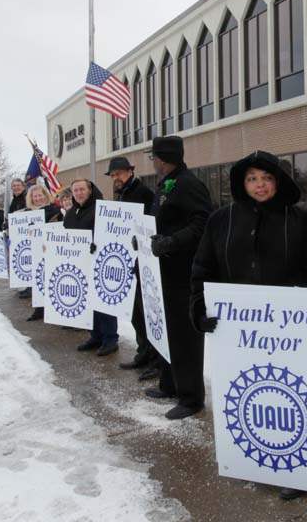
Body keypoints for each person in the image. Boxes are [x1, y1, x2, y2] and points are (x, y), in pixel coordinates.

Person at [191, 150, 307, 499]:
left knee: (288, 399)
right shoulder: (221, 220)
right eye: (252, 178)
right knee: (249, 396)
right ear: (242, 184)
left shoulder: (298, 219)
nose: (260, 185)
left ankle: (296, 469)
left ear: (278, 182)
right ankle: (252, 459)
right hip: (239, 335)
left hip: (289, 332)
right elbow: (202, 268)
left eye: (267, 178)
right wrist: (199, 306)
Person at [145, 136, 212, 420]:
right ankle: (170, 383)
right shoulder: (165, 184)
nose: (153, 161)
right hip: (162, 272)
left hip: (184, 272)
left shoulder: (189, 184)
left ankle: (191, 397)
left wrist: (172, 242)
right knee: (167, 330)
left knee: (185, 337)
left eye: (154, 157)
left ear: (163, 158)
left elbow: (202, 223)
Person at [103, 156, 160, 377]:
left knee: (146, 313)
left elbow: (150, 225)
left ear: (130, 172)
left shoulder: (143, 193)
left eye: (118, 173)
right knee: (136, 313)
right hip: (127, 259)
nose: (115, 178)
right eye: (113, 175)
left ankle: (155, 359)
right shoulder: (123, 193)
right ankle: (143, 351)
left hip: (142, 260)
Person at [64, 178, 118, 356]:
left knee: (103, 302)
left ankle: (110, 339)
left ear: (90, 190)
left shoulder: (101, 210)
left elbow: (111, 233)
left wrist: (97, 244)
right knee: (88, 302)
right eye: (75, 190)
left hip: (99, 263)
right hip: (80, 264)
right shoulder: (71, 213)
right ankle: (95, 335)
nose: (79, 193)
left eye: (82, 189)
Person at [24, 184, 63, 322]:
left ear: (45, 195)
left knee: (53, 278)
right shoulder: (28, 213)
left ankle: (56, 309)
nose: (38, 198)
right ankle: (39, 309)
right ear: (31, 198)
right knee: (38, 279)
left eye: (40, 195)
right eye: (35, 196)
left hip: (52, 249)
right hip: (36, 251)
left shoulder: (55, 210)